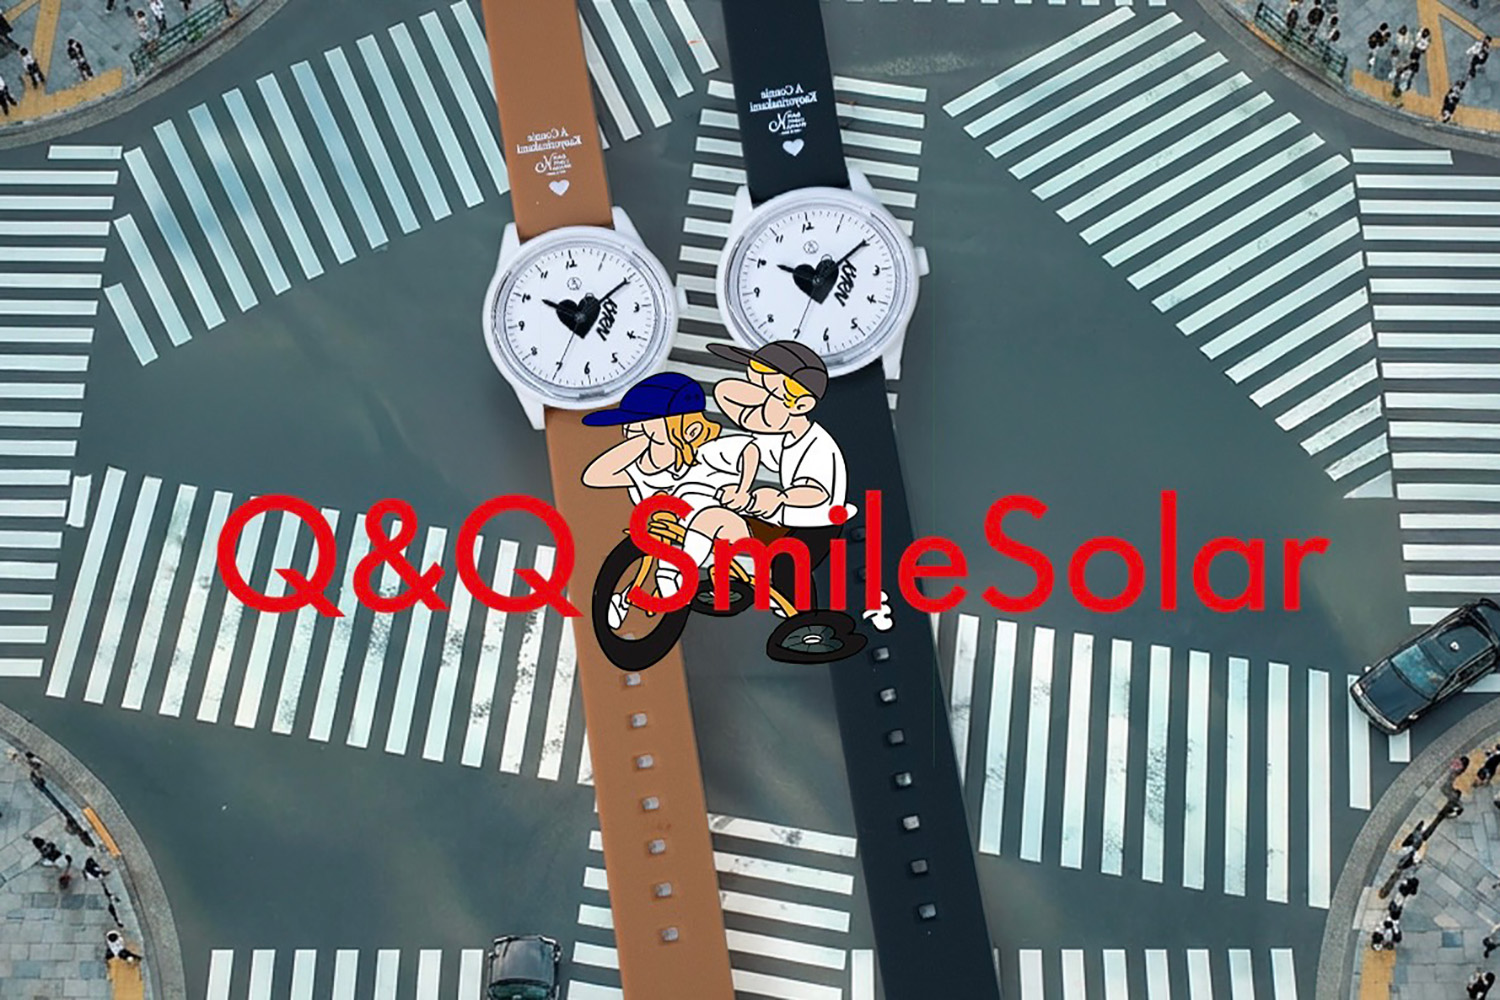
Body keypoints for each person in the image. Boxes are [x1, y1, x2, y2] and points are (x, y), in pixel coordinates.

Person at [582, 372, 758, 624]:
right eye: (628, 426)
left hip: (728, 532)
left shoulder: (706, 454)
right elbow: (594, 476)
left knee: (705, 511)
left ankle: (673, 572)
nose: (631, 430)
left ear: (688, 429)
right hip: (675, 537)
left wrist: (742, 489)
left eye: (643, 426)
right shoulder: (640, 472)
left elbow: (749, 450)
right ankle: (627, 597)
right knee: (658, 537)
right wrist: (642, 440)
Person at [707, 341, 852, 614]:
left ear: (801, 404)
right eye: (754, 387)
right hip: (786, 518)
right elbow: (750, 447)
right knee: (726, 526)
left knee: (788, 562)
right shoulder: (781, 436)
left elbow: (816, 493)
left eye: (766, 394)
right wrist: (741, 489)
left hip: (818, 523)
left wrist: (780, 497)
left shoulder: (817, 445)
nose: (752, 401)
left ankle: (805, 622)